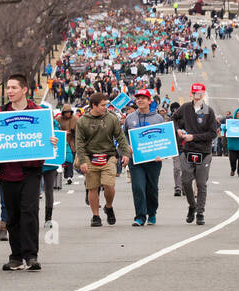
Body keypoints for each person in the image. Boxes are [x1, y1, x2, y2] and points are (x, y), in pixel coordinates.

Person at [0, 74, 53, 271]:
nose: (9, 91)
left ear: (24, 90)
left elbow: (47, 137)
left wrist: (51, 142)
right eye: (8, 88)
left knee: (29, 212)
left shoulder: (38, 112)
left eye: (14, 87)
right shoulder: (0, 113)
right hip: (7, 172)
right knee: (12, 215)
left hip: (30, 171)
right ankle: (15, 256)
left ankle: (31, 255)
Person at [73, 92, 130, 227]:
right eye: (103, 105)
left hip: (108, 156)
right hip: (89, 156)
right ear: (94, 106)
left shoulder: (112, 118)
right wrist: (82, 161)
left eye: (106, 105)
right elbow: (79, 143)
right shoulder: (82, 121)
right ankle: (95, 216)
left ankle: (108, 207)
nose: (106, 107)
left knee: (109, 185)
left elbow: (120, 137)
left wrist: (126, 154)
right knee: (93, 188)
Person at [172, 82, 218, 226]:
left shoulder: (208, 111)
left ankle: (200, 212)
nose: (197, 97)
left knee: (201, 183)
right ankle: (192, 205)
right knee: (185, 181)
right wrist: (178, 129)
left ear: (203, 94)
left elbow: (212, 133)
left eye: (199, 94)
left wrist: (194, 137)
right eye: (194, 94)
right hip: (187, 150)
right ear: (191, 94)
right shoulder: (185, 107)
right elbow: (174, 118)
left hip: (203, 151)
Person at [123, 90, 163, 226]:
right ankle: (140, 216)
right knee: (138, 187)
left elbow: (164, 139)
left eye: (143, 98)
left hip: (153, 160)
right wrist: (126, 148)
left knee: (152, 188)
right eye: (138, 98)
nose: (140, 100)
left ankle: (152, 212)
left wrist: (161, 154)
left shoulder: (158, 118)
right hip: (136, 160)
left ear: (149, 100)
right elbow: (123, 137)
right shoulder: (130, 118)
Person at [57, 105, 77, 184]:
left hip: (72, 142)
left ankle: (69, 176)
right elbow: (55, 129)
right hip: (61, 143)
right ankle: (63, 175)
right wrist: (63, 133)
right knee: (62, 160)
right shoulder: (58, 119)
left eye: (68, 112)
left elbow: (79, 131)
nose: (67, 114)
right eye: (65, 112)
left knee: (70, 160)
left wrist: (72, 132)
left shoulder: (75, 119)